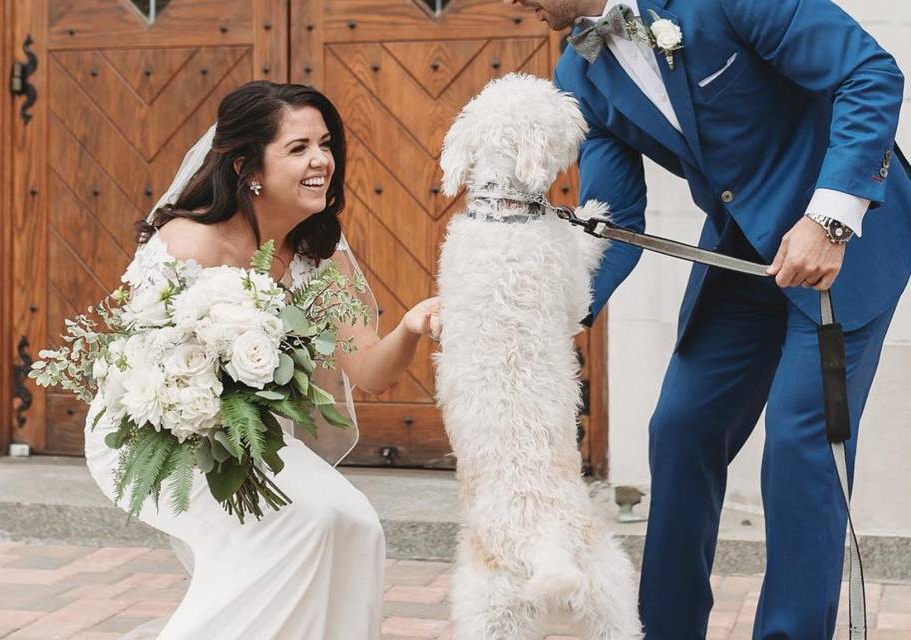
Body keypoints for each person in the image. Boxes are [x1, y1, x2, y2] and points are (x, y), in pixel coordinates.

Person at [505, 0, 911, 638]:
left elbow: (870, 73)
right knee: (679, 428)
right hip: (743, 254)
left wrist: (829, 219)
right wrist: (553, 314)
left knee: (798, 445)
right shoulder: (579, 75)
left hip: (847, 242)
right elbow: (612, 216)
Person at [84, 81, 441, 640]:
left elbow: (370, 368)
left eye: (325, 144)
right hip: (154, 430)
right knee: (296, 527)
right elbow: (135, 366)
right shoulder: (192, 241)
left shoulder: (318, 255)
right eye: (298, 148)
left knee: (354, 523)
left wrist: (411, 326)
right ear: (249, 166)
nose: (321, 159)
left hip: (246, 433)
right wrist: (195, 398)